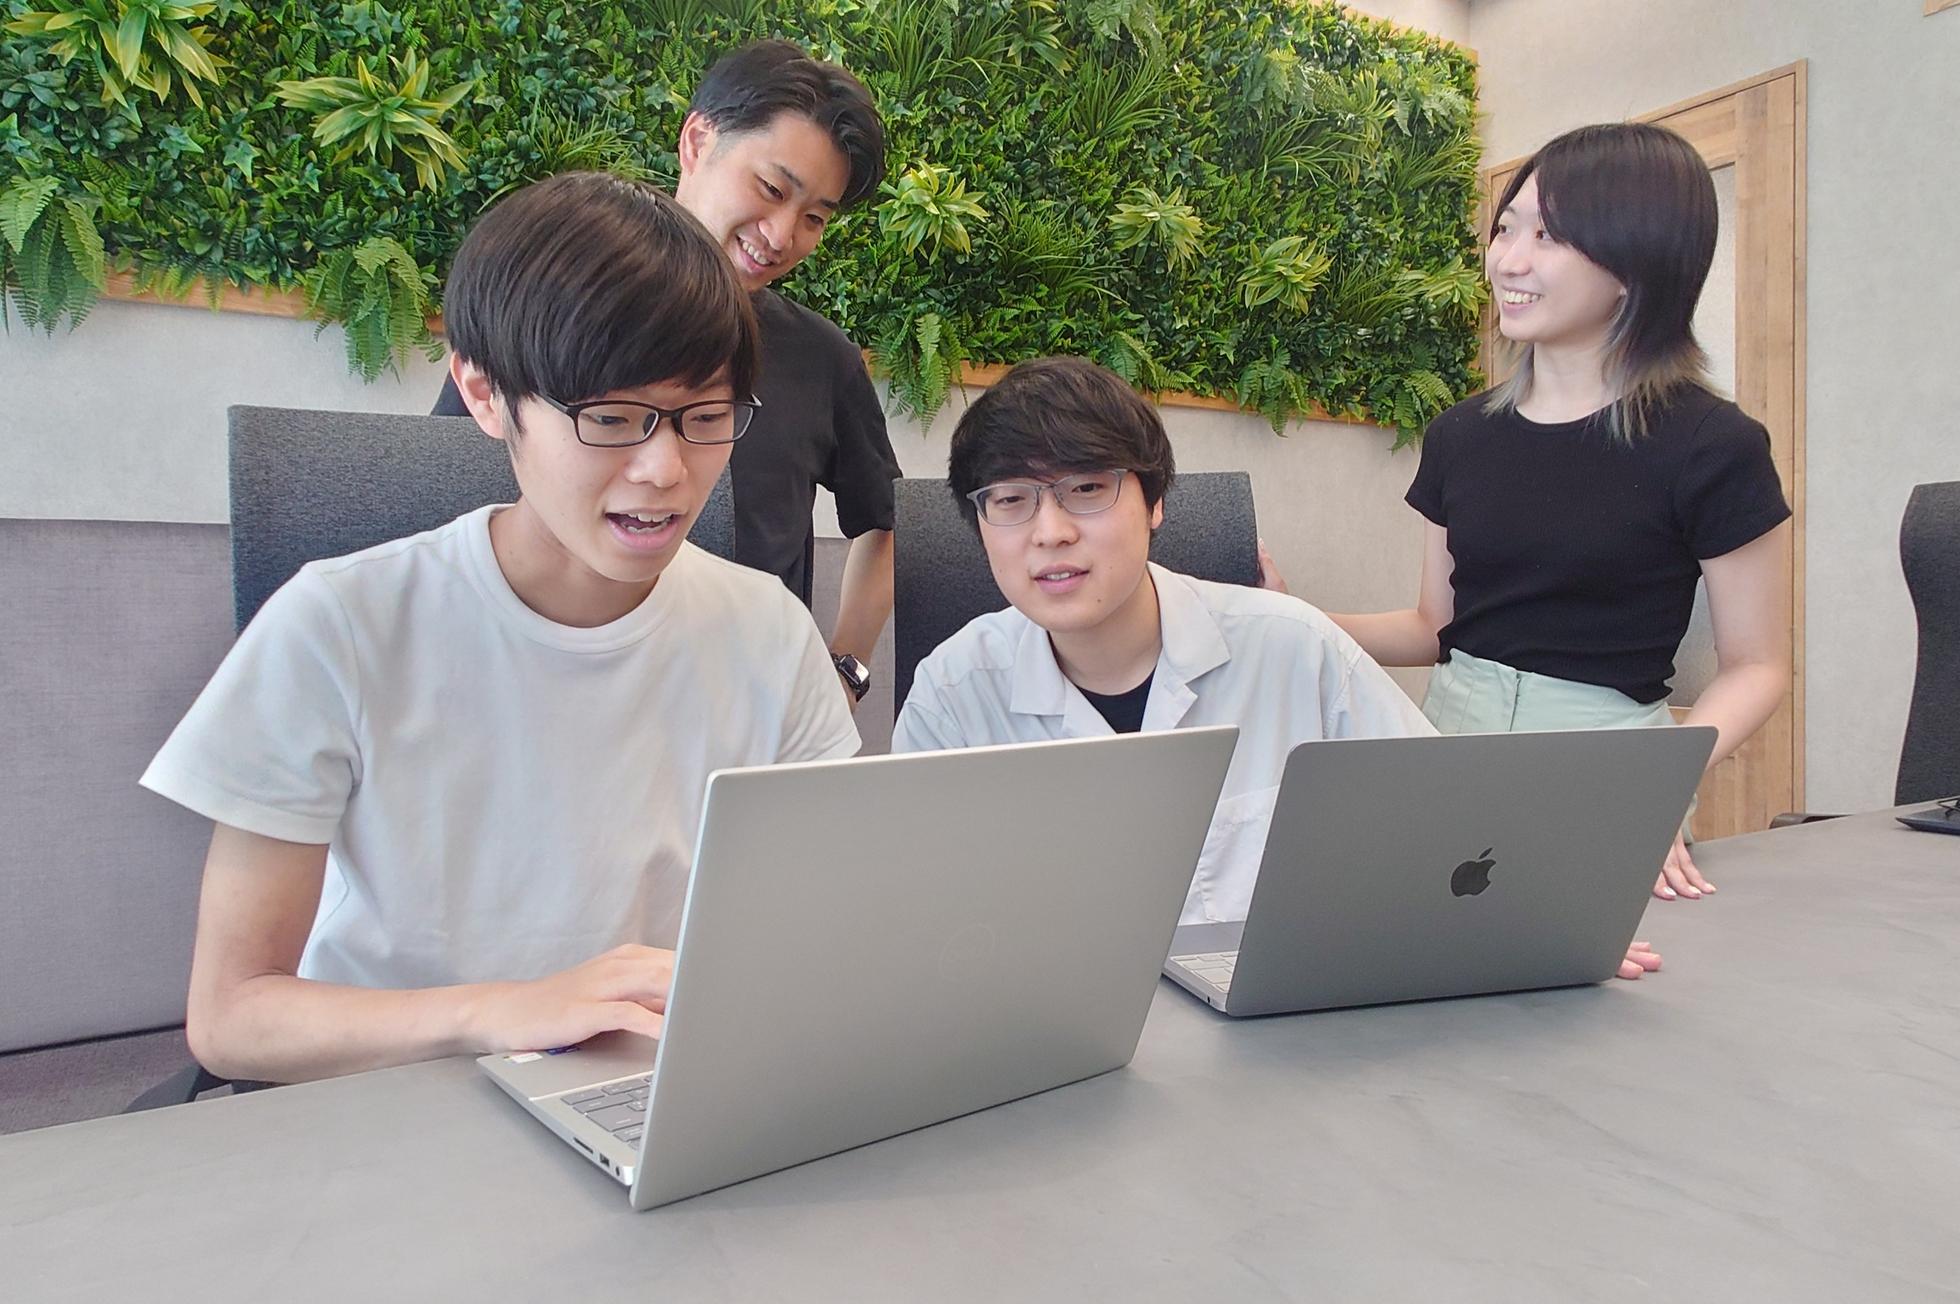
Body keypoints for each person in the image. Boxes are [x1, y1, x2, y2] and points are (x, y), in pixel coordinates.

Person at [142, 173, 860, 1084]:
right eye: (611, 418)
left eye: (707, 418)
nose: (664, 469)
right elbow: (233, 1015)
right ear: (484, 395)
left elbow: (818, 931)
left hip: (647, 1095)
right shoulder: (340, 626)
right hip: (391, 1100)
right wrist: (508, 1012)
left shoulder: (769, 634)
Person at [1312, 122, 1792, 916]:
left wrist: (1655, 781)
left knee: (1587, 975)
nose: (1508, 260)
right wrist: (1294, 617)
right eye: (1506, 229)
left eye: (1548, 236)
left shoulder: (1713, 444)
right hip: (1446, 748)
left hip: (1608, 770)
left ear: (1636, 261)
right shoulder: (1461, 434)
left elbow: (1757, 666)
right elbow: (1436, 628)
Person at [890, 356, 1436, 926]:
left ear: (1155, 504)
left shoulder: (1296, 650)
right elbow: (919, 912)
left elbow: (1441, 827)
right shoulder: (952, 696)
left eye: (1087, 488)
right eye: (1010, 499)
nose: (1051, 533)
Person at [433, 39, 898, 709]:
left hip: (740, 707)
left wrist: (844, 669)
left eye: (815, 218)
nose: (781, 234)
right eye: (772, 189)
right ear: (697, 140)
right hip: (532, 691)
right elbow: (442, 495)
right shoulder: (557, 301)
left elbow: (884, 520)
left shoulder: (820, 357)